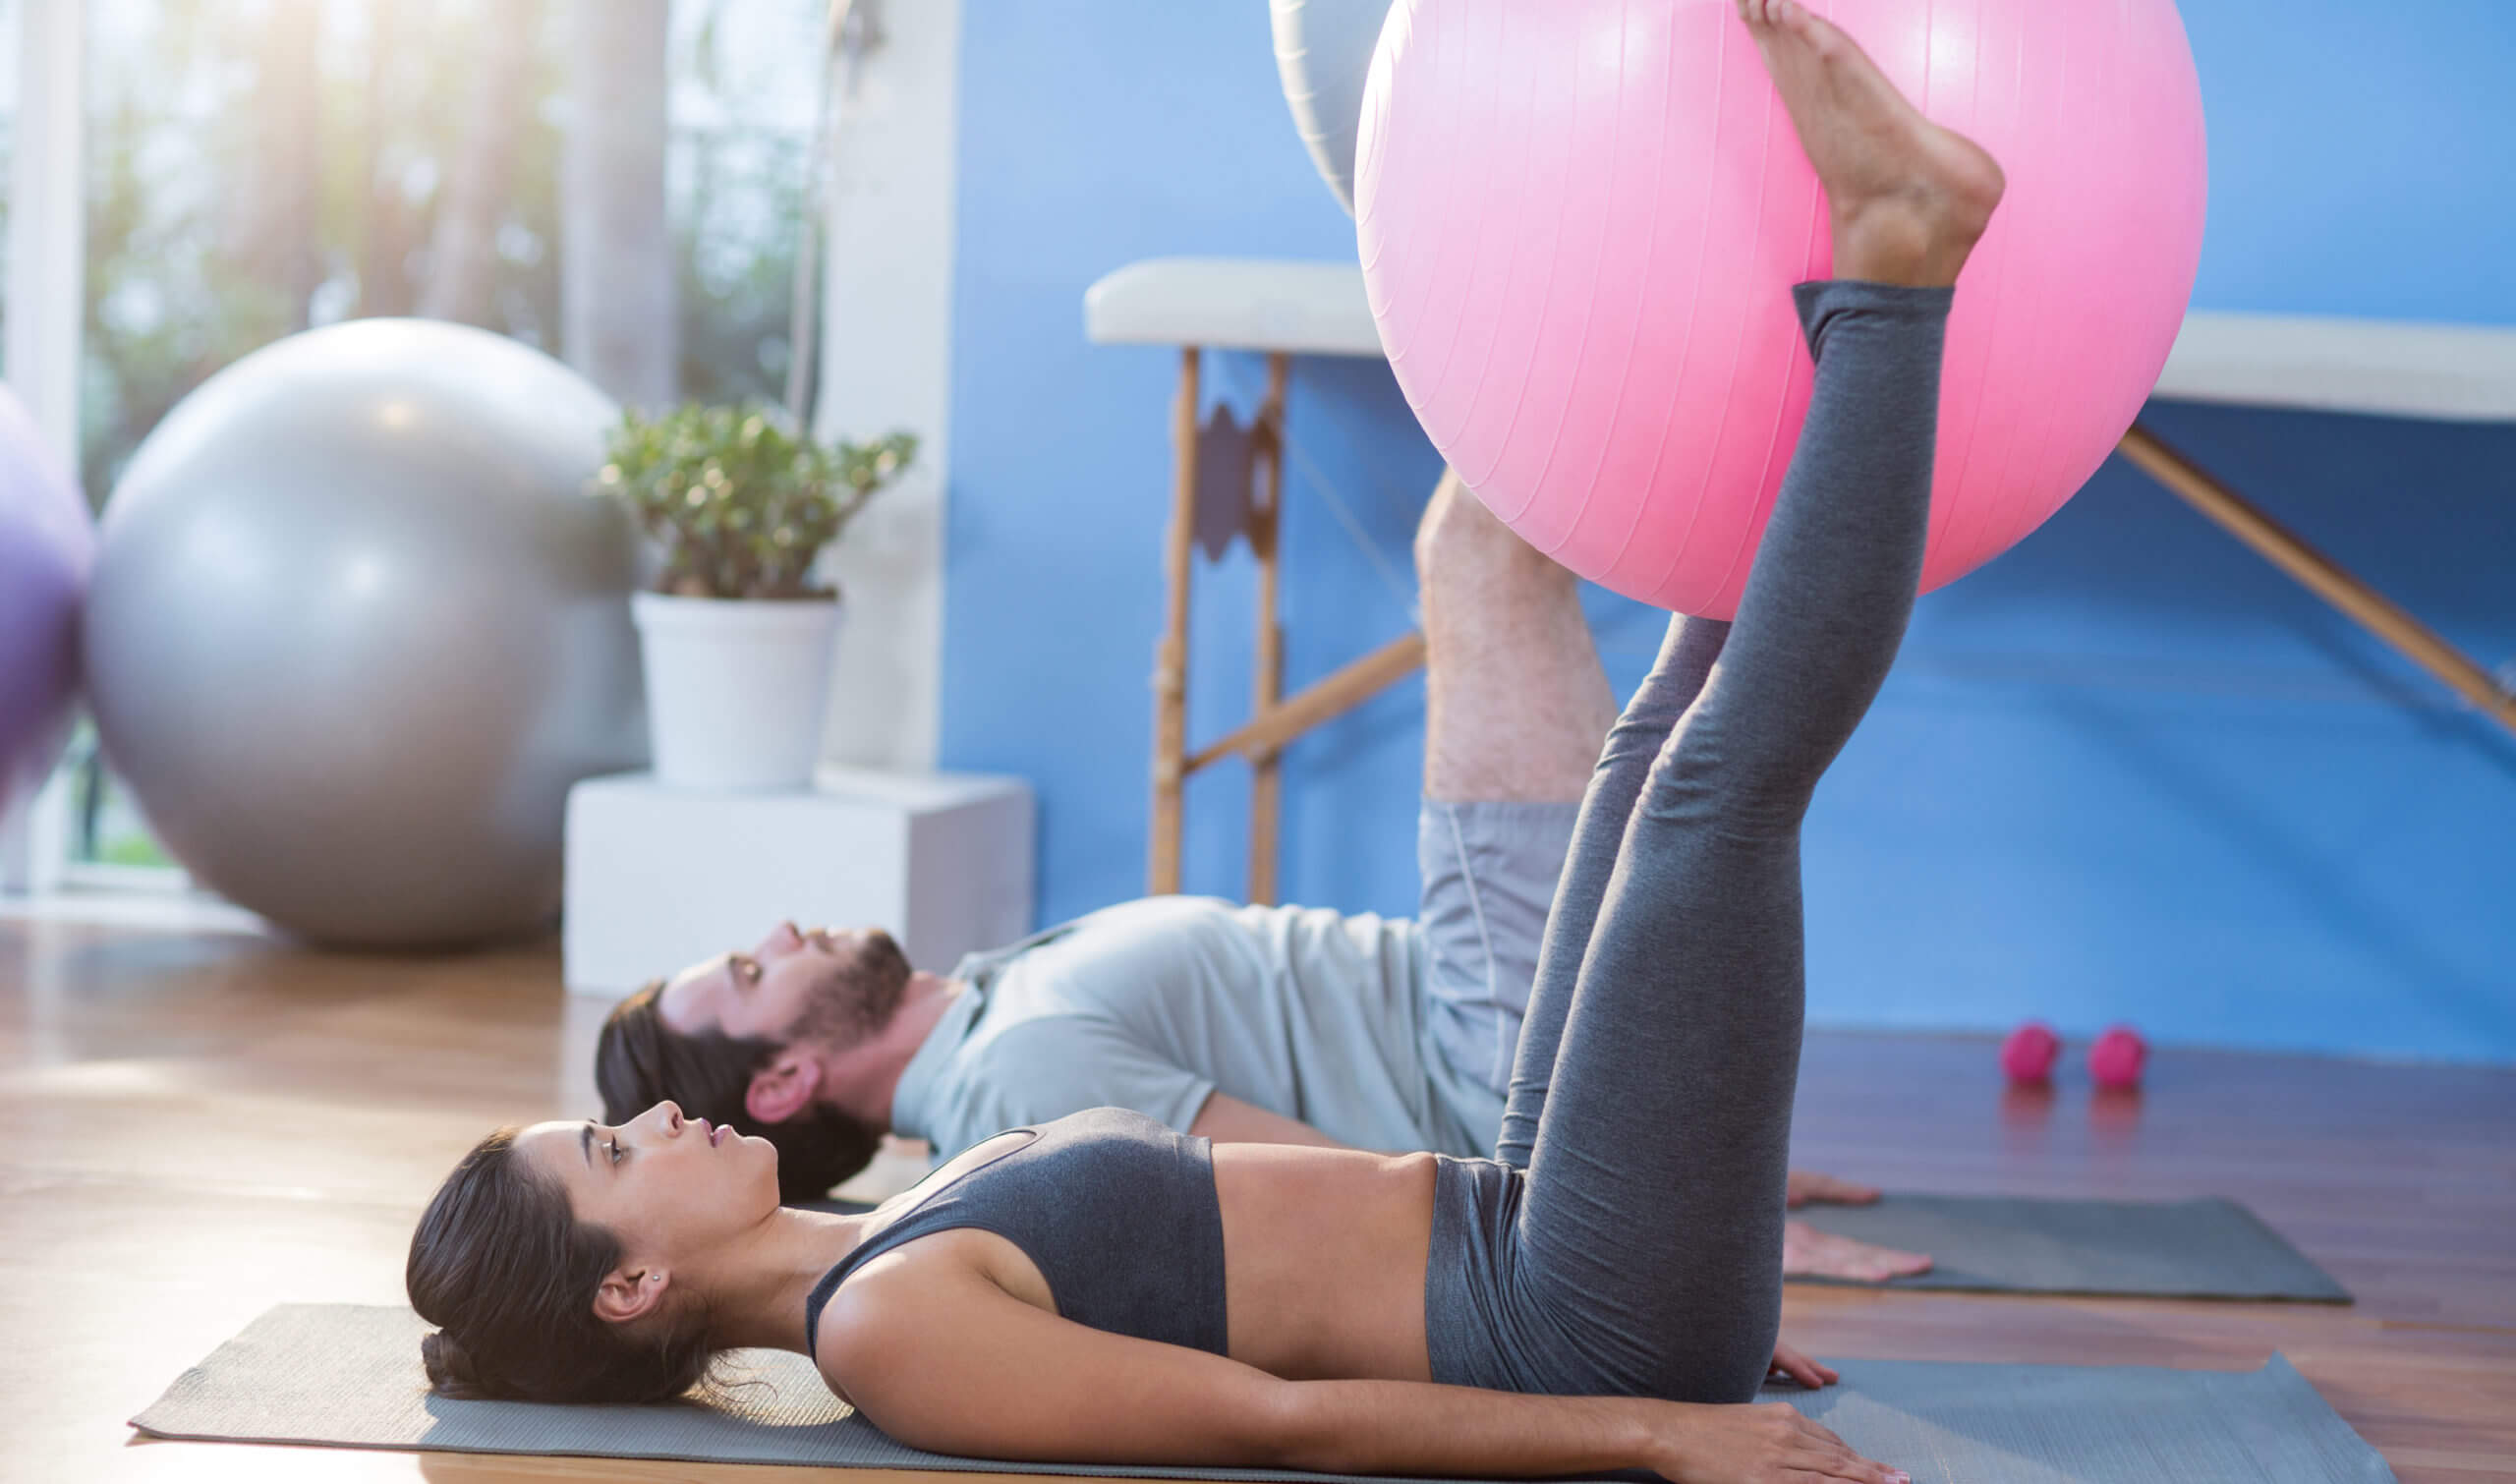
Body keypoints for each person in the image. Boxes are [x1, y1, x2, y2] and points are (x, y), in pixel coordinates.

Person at [412, 7, 2002, 1480]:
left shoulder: (897, 1218)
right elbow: (1275, 1418)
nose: (659, 1122)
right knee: (1714, 799)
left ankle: (1830, 297)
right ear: (630, 1281)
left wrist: (1673, 1257)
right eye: (614, 1149)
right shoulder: (887, 1330)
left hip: (1548, 1230)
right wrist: (1649, 1419)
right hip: (1557, 1309)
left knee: (1652, 750)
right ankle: (1896, 260)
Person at [594, 384, 1924, 1290]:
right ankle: (1849, 333)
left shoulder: (991, 1004)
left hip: (1504, 1007)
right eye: (755, 973)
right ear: (780, 1087)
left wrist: (1693, 1140)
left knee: (1542, 574)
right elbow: (1303, 1186)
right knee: (1482, 542)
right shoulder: (1012, 1083)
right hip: (1498, 1037)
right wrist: (1640, 1207)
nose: (777, 932)